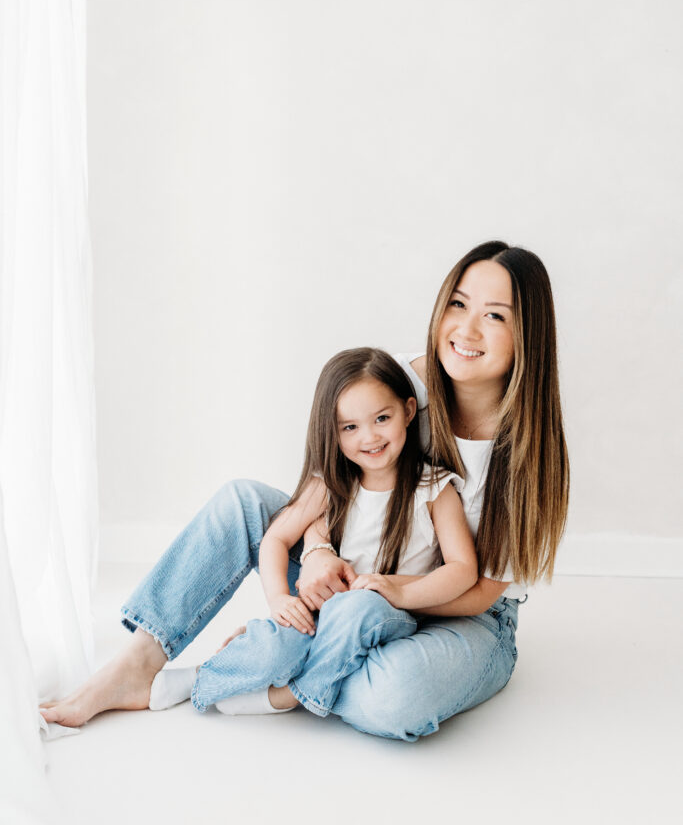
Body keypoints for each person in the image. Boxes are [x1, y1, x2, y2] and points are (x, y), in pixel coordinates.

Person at [40, 240, 569, 742]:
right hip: (355, 574)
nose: (466, 329)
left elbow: (476, 589)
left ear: (528, 336)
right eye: (458, 303)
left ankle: (275, 674)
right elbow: (326, 484)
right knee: (244, 503)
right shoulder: (410, 387)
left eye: (495, 315)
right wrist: (318, 553)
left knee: (397, 697)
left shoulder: (529, 456)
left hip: (457, 613)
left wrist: (387, 599)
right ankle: (138, 663)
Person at [146, 347, 478, 716]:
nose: (369, 437)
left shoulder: (434, 488)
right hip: (328, 609)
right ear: (332, 432)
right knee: (279, 643)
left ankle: (288, 697)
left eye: (382, 418)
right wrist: (280, 600)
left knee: (360, 607)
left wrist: (399, 591)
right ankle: (201, 678)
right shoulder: (332, 483)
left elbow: (463, 568)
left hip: (392, 615)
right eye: (350, 427)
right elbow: (276, 538)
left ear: (409, 411)